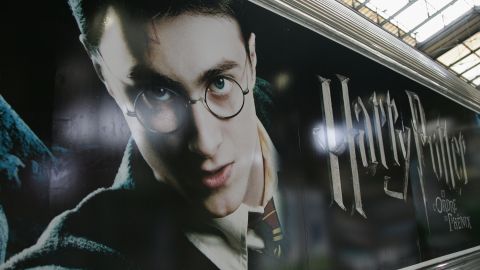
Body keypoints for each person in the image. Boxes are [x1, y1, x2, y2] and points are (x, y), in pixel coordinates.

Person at [1, 0, 283, 269]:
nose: (206, 143)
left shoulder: (286, 106)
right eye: (157, 93)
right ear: (103, 73)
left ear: (251, 57)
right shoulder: (89, 253)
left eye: (219, 82)